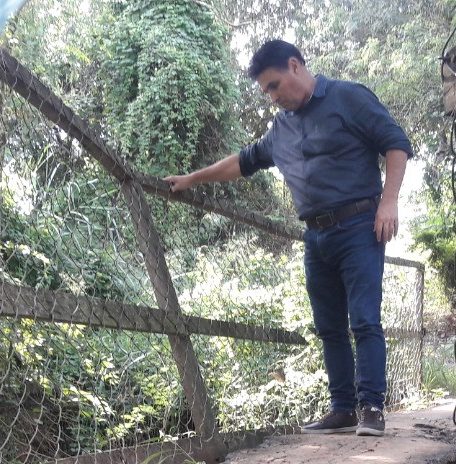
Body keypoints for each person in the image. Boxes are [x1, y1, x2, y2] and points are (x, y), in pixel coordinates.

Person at [165, 39, 412, 438]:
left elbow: (396, 143)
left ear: (295, 66)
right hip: (315, 237)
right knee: (328, 326)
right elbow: (242, 163)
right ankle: (343, 409)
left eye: (275, 85)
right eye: (267, 92)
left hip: (359, 226)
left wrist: (389, 202)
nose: (273, 97)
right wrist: (193, 178)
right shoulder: (280, 129)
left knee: (364, 319)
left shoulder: (348, 97)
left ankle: (371, 408)